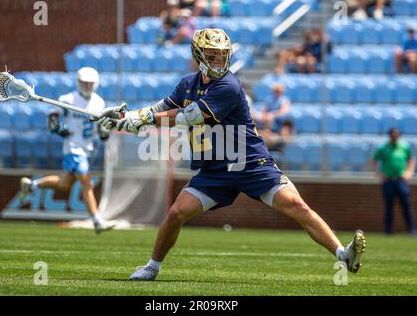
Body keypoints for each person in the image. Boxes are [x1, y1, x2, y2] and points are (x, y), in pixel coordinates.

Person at [92, 28, 366, 281]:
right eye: (213, 55)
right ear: (199, 56)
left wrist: (141, 120)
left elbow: (188, 116)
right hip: (215, 170)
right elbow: (162, 107)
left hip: (250, 163)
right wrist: (125, 118)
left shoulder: (229, 86)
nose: (219, 60)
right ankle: (151, 268)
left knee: (297, 206)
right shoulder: (187, 83)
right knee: (176, 213)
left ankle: (343, 254)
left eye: (223, 55)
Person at [18, 67, 115, 234]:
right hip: (73, 148)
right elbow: (52, 117)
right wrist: (57, 127)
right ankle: (97, 221)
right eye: (84, 83)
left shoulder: (99, 102)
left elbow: (100, 128)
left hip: (86, 149)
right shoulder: (68, 99)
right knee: (87, 182)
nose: (86, 86)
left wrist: (104, 132)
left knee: (64, 185)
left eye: (89, 83)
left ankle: (32, 185)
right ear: (78, 82)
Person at [371, 128, 416, 235]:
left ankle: (412, 230)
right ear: (390, 136)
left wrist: (409, 172)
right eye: (393, 135)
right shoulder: (384, 148)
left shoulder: (404, 146)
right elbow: (373, 160)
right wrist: (379, 174)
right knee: (389, 206)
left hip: (401, 180)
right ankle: (388, 230)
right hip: (389, 181)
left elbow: (411, 160)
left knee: (406, 205)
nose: (395, 137)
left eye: (396, 135)